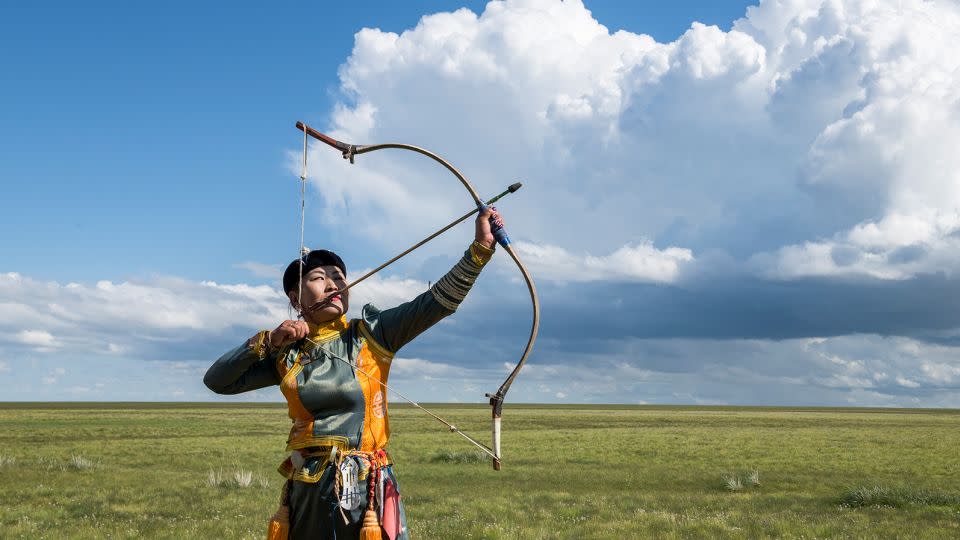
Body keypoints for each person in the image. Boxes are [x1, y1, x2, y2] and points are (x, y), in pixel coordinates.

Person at [203, 207, 505, 540]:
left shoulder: (372, 334)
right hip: (308, 490)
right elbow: (217, 381)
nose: (333, 283)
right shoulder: (284, 354)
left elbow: (435, 303)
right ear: (295, 297)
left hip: (367, 489)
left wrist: (479, 250)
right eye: (319, 278)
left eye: (338, 277)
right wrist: (268, 341)